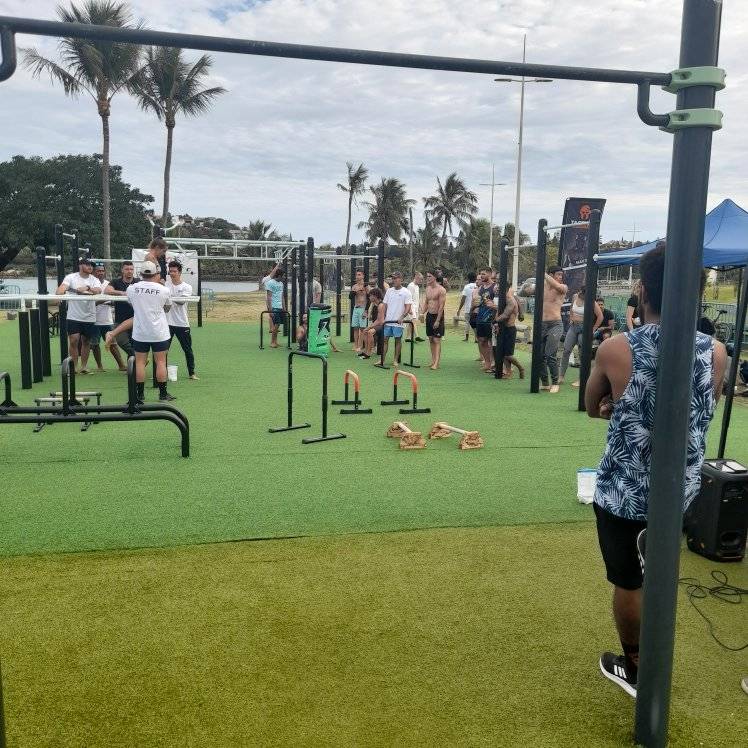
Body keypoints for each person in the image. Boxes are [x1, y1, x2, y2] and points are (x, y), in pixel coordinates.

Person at [585, 242, 727, 699]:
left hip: (625, 490)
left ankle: (636, 664)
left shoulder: (616, 348)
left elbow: (591, 405)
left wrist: (617, 405)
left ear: (643, 290)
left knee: (628, 579)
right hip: (680, 490)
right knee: (659, 571)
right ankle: (648, 660)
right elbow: (701, 409)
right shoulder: (717, 352)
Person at [106, 261, 175, 402]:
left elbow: (132, 303)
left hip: (140, 332)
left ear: (140, 274)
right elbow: (167, 307)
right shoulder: (164, 290)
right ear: (155, 274)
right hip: (159, 332)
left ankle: (139, 395)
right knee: (161, 362)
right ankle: (163, 394)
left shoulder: (132, 288)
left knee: (140, 363)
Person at [56, 256, 102, 374]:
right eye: (87, 265)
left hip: (89, 316)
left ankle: (84, 367)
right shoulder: (71, 277)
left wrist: (86, 288)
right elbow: (61, 289)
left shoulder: (94, 279)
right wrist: (60, 294)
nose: (90, 267)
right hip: (74, 316)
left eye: (91, 265)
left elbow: (98, 290)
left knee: (86, 341)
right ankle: (74, 367)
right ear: (81, 265)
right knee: (74, 340)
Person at [559, 286, 602, 385]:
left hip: (585, 328)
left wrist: (593, 329)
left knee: (581, 353)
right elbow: (571, 309)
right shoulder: (575, 297)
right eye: (582, 294)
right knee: (566, 350)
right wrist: (571, 318)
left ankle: (581, 379)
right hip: (574, 327)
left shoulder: (591, 302)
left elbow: (600, 316)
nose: (583, 296)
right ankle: (561, 376)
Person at [166, 260, 198, 380]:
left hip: (182, 323)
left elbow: (181, 302)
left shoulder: (186, 287)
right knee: (163, 349)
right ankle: (159, 373)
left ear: (179, 273)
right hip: (167, 323)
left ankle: (192, 373)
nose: (172, 273)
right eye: (170, 271)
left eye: (174, 271)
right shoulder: (166, 286)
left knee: (187, 349)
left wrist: (169, 297)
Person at [90, 262, 126, 371]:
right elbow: (90, 303)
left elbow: (114, 301)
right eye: (98, 271)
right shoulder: (91, 284)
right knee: (95, 344)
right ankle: (99, 366)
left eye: (102, 271)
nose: (100, 273)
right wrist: (104, 300)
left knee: (113, 343)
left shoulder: (108, 284)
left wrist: (108, 301)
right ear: (94, 272)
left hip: (107, 319)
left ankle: (121, 365)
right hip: (93, 319)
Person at [541, 265, 568, 393]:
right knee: (540, 356)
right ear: (551, 275)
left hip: (555, 324)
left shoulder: (563, 287)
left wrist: (542, 273)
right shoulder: (543, 287)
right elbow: (526, 291)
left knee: (550, 354)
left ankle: (555, 382)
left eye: (561, 275)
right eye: (558, 275)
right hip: (541, 324)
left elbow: (557, 286)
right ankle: (545, 383)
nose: (560, 277)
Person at [105, 261, 137, 358]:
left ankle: (133, 368)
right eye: (127, 269)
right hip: (120, 319)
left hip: (137, 319)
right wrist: (122, 293)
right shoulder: (116, 282)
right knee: (121, 341)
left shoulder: (138, 282)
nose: (129, 271)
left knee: (135, 343)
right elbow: (107, 290)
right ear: (122, 270)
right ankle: (137, 357)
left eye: (131, 269)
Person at [381, 271, 412, 366]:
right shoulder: (389, 291)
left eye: (395, 278)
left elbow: (408, 307)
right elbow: (384, 305)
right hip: (388, 320)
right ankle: (382, 360)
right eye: (392, 278)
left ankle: (395, 360)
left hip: (398, 322)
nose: (393, 280)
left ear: (401, 279)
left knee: (397, 339)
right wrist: (383, 317)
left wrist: (402, 317)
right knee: (385, 339)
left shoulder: (406, 292)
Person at [495, 285, 525, 378]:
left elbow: (505, 315)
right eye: (497, 288)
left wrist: (494, 321)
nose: (497, 290)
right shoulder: (504, 299)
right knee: (503, 353)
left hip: (510, 329)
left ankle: (521, 368)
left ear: (507, 289)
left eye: (499, 288)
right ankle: (508, 372)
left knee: (508, 355)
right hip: (503, 328)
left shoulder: (510, 300)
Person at [472, 269, 497, 373]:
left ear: (490, 274)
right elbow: (477, 301)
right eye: (480, 274)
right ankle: (487, 362)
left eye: (484, 274)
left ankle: (495, 363)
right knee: (482, 340)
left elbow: (499, 302)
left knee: (492, 342)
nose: (481, 276)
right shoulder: (481, 287)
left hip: (491, 318)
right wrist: (474, 303)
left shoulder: (495, 287)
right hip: (480, 317)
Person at [424, 270, 446, 370]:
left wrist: (438, 320)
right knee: (431, 339)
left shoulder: (441, 290)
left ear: (435, 277)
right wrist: (422, 313)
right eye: (427, 276)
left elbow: (441, 306)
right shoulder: (427, 288)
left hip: (438, 316)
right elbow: (426, 302)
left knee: (437, 339)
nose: (427, 278)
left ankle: (436, 363)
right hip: (429, 315)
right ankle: (433, 360)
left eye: (429, 276)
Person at [262, 263, 286, 348]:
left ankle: (275, 341)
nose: (284, 277)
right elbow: (269, 297)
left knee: (278, 324)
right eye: (283, 276)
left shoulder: (281, 284)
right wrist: (270, 309)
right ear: (279, 275)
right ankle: (272, 342)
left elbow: (282, 296)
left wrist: (284, 307)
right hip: (274, 307)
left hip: (280, 306)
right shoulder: (270, 283)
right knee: (276, 324)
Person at [360, 288, 385, 359]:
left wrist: (369, 327)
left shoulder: (381, 305)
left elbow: (380, 320)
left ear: (375, 296)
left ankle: (369, 352)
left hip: (383, 325)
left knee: (370, 332)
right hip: (379, 324)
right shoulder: (375, 304)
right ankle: (365, 351)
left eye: (370, 295)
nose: (369, 297)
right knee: (365, 331)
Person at [349, 269, 368, 353]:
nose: (357, 276)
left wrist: (366, 311)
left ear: (363, 276)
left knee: (362, 328)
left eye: (359, 274)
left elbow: (370, 298)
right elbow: (350, 297)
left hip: (363, 308)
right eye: (357, 275)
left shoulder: (366, 286)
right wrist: (355, 291)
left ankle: (361, 346)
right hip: (356, 308)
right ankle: (355, 345)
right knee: (355, 328)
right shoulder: (354, 286)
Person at [457, 272, 477, 342]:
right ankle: (476, 338)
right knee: (475, 323)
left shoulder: (467, 287)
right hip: (476, 309)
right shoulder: (478, 286)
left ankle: (466, 338)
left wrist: (459, 309)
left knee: (467, 322)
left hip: (468, 308)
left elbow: (463, 299)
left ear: (468, 278)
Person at [407, 272, 424, 342]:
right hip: (411, 307)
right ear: (416, 278)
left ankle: (408, 337)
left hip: (416, 307)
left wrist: (420, 306)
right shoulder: (411, 286)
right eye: (420, 279)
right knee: (414, 321)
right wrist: (410, 308)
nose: (421, 281)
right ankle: (417, 336)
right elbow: (408, 298)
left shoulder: (417, 286)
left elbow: (417, 298)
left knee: (411, 323)